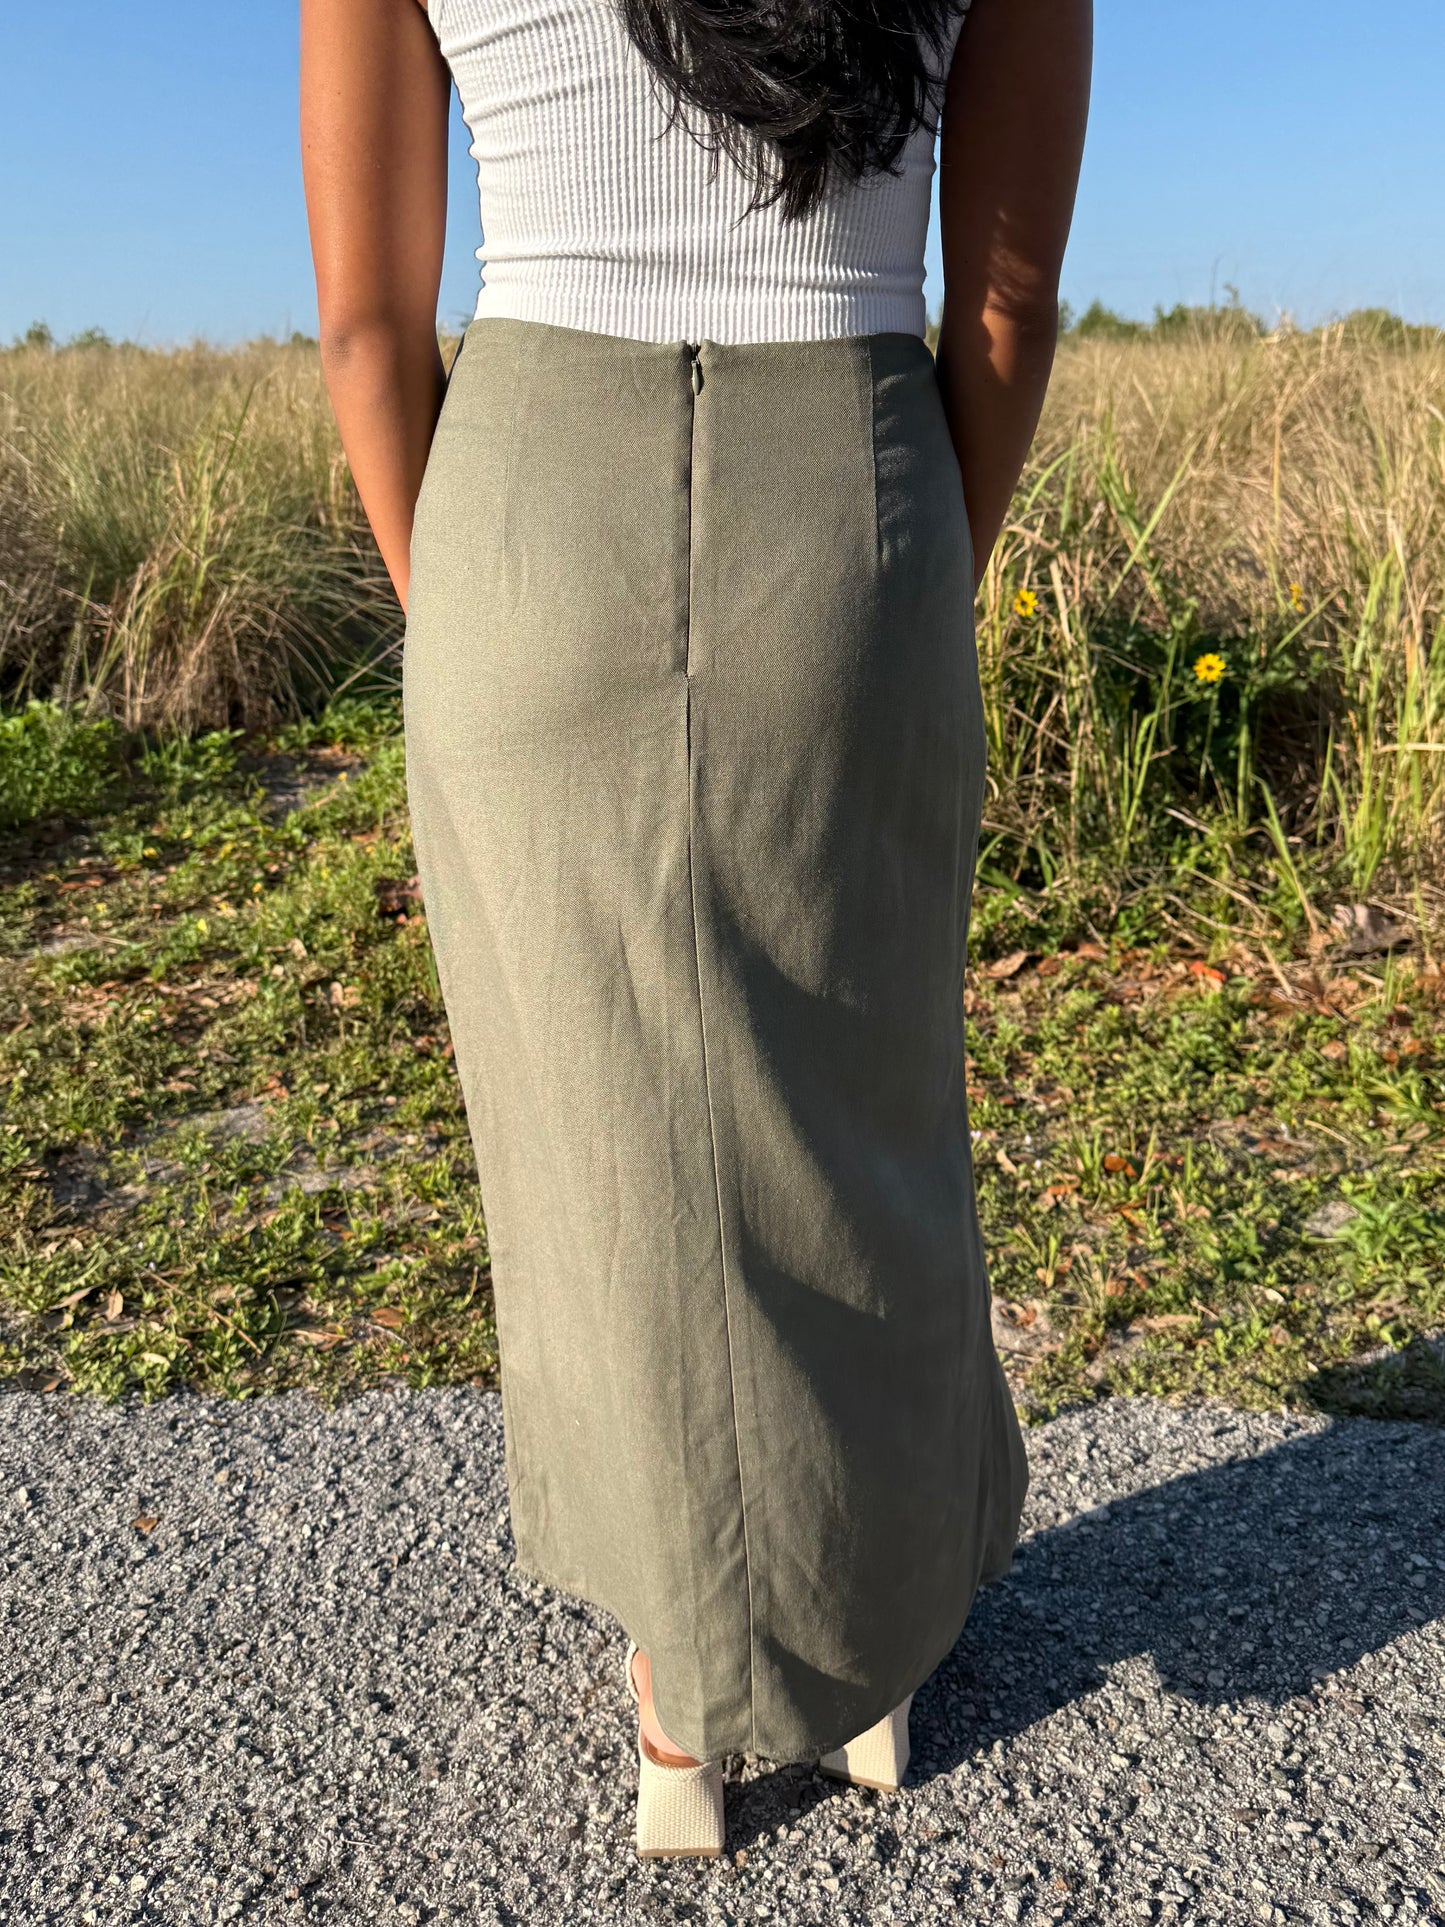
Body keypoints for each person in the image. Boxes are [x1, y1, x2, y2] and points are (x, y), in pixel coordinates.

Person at [301, 0, 1091, 1861]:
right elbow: (1003, 308)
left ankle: (682, 1691)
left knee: (596, 1120)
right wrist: (897, 595)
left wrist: (471, 629)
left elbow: (363, 327)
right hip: (854, 473)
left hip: (522, 496)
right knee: (862, 1088)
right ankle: (870, 1645)